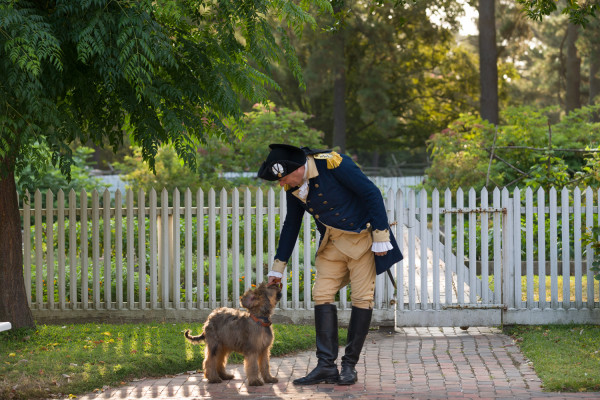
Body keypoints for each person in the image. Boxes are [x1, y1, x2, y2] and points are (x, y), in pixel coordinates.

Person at [257, 144, 403, 385]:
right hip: (332, 242)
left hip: (361, 239)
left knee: (362, 297)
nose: (281, 184)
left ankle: (349, 365)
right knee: (321, 294)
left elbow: (372, 193)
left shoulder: (334, 163)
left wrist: (380, 236)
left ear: (298, 168)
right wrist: (278, 268)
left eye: (283, 179)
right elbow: (291, 224)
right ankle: (326, 366)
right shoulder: (295, 185)